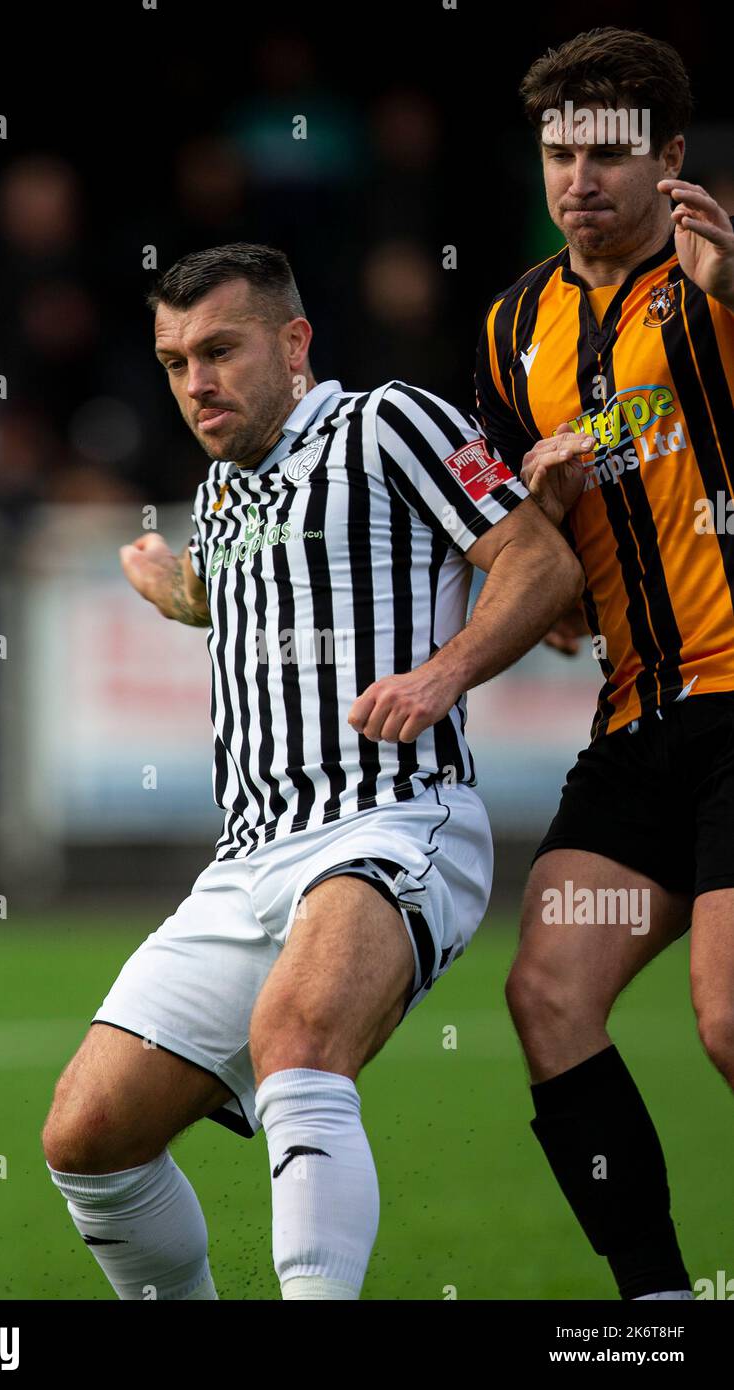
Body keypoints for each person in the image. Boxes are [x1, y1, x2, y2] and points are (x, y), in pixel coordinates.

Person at [43, 241, 582, 1300]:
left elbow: (536, 559)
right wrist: (187, 597)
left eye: (219, 350)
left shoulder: (392, 423)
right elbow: (273, 596)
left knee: (297, 1041)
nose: (195, 381)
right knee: (87, 1136)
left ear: (292, 344)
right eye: (172, 361)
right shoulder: (218, 494)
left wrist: (441, 674)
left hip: (393, 818)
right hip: (246, 861)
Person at [474, 27, 734, 1300]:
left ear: (668, 158)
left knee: (727, 1017)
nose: (577, 177)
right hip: (636, 726)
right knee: (545, 993)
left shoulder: (712, 284)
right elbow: (543, 574)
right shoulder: (513, 322)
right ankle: (658, 1307)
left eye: (606, 153)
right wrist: (542, 518)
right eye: (556, 152)